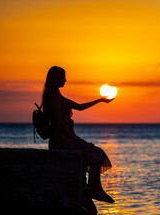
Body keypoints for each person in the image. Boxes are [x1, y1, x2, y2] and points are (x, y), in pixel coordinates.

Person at [42, 66, 114, 203]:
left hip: (65, 138)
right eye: (63, 77)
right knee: (97, 153)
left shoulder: (56, 94)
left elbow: (79, 107)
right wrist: (72, 137)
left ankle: (94, 187)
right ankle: (94, 189)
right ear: (56, 78)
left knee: (95, 152)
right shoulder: (53, 94)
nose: (66, 80)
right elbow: (57, 120)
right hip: (61, 139)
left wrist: (100, 100)